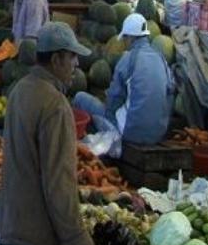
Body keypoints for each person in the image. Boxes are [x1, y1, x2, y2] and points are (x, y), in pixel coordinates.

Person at [0, 22, 95, 245]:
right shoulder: (55, 105)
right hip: (37, 237)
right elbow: (59, 185)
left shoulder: (20, 89)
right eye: (72, 57)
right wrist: (79, 242)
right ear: (56, 60)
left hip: (13, 226)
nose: (76, 64)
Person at [73, 13, 175, 146]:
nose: (125, 43)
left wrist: (108, 121)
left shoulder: (128, 59)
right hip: (158, 134)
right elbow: (170, 94)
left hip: (129, 133)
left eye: (125, 39)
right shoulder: (161, 59)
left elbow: (114, 100)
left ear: (130, 37)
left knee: (80, 98)